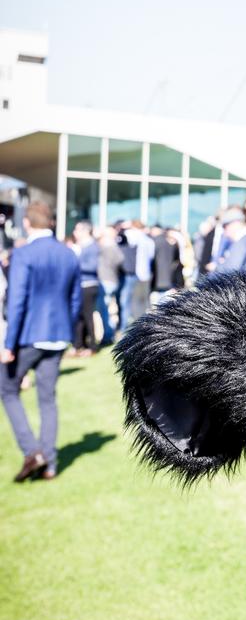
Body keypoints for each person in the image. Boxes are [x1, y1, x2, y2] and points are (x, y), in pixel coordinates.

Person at [1, 201, 81, 481]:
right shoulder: (68, 254)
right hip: (58, 336)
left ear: (27, 223)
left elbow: (17, 301)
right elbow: (75, 300)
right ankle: (49, 463)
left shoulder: (23, 254)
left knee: (7, 389)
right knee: (47, 399)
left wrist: (8, 344)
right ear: (50, 222)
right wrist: (67, 332)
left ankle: (31, 451)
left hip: (29, 337)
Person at [72, 220, 100, 356]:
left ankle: (93, 347)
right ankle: (78, 345)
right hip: (81, 285)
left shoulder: (92, 247)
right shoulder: (81, 246)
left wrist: (75, 261)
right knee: (80, 317)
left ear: (85, 231)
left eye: (77, 230)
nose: (74, 233)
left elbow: (93, 267)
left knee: (88, 316)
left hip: (89, 285)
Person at [96, 224, 123, 346]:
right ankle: (109, 333)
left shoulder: (104, 247)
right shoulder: (115, 248)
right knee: (107, 309)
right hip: (112, 280)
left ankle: (108, 335)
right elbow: (120, 261)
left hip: (105, 281)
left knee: (104, 311)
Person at [212, 208, 246, 274]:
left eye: (225, 226)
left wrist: (217, 268)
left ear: (235, 223)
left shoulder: (242, 243)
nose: (224, 232)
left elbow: (230, 270)